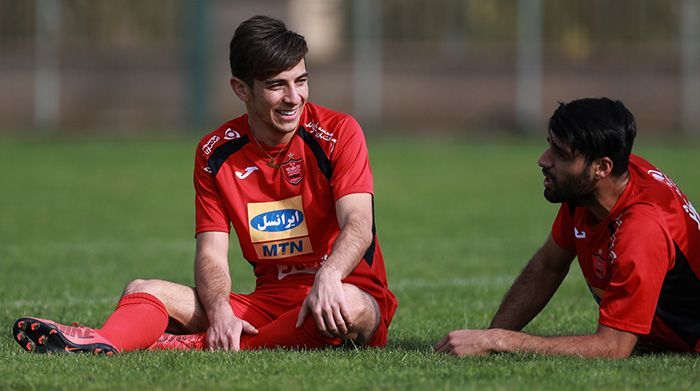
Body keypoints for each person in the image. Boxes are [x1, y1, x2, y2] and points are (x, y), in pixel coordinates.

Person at [13, 15, 397, 354]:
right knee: (142, 290)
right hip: (268, 302)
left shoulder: (338, 132)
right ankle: (102, 342)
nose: (293, 98)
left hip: (348, 292)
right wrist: (221, 313)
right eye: (276, 85)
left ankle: (184, 346)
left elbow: (358, 225)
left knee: (348, 305)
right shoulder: (215, 153)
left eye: (301, 81)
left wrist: (328, 275)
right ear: (241, 89)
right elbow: (212, 253)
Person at [436, 97, 700, 358]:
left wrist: (500, 340)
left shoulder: (641, 229)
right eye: (550, 145)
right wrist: (487, 338)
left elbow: (614, 347)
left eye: (561, 154)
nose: (543, 160)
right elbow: (548, 265)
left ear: (601, 167)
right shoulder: (593, 190)